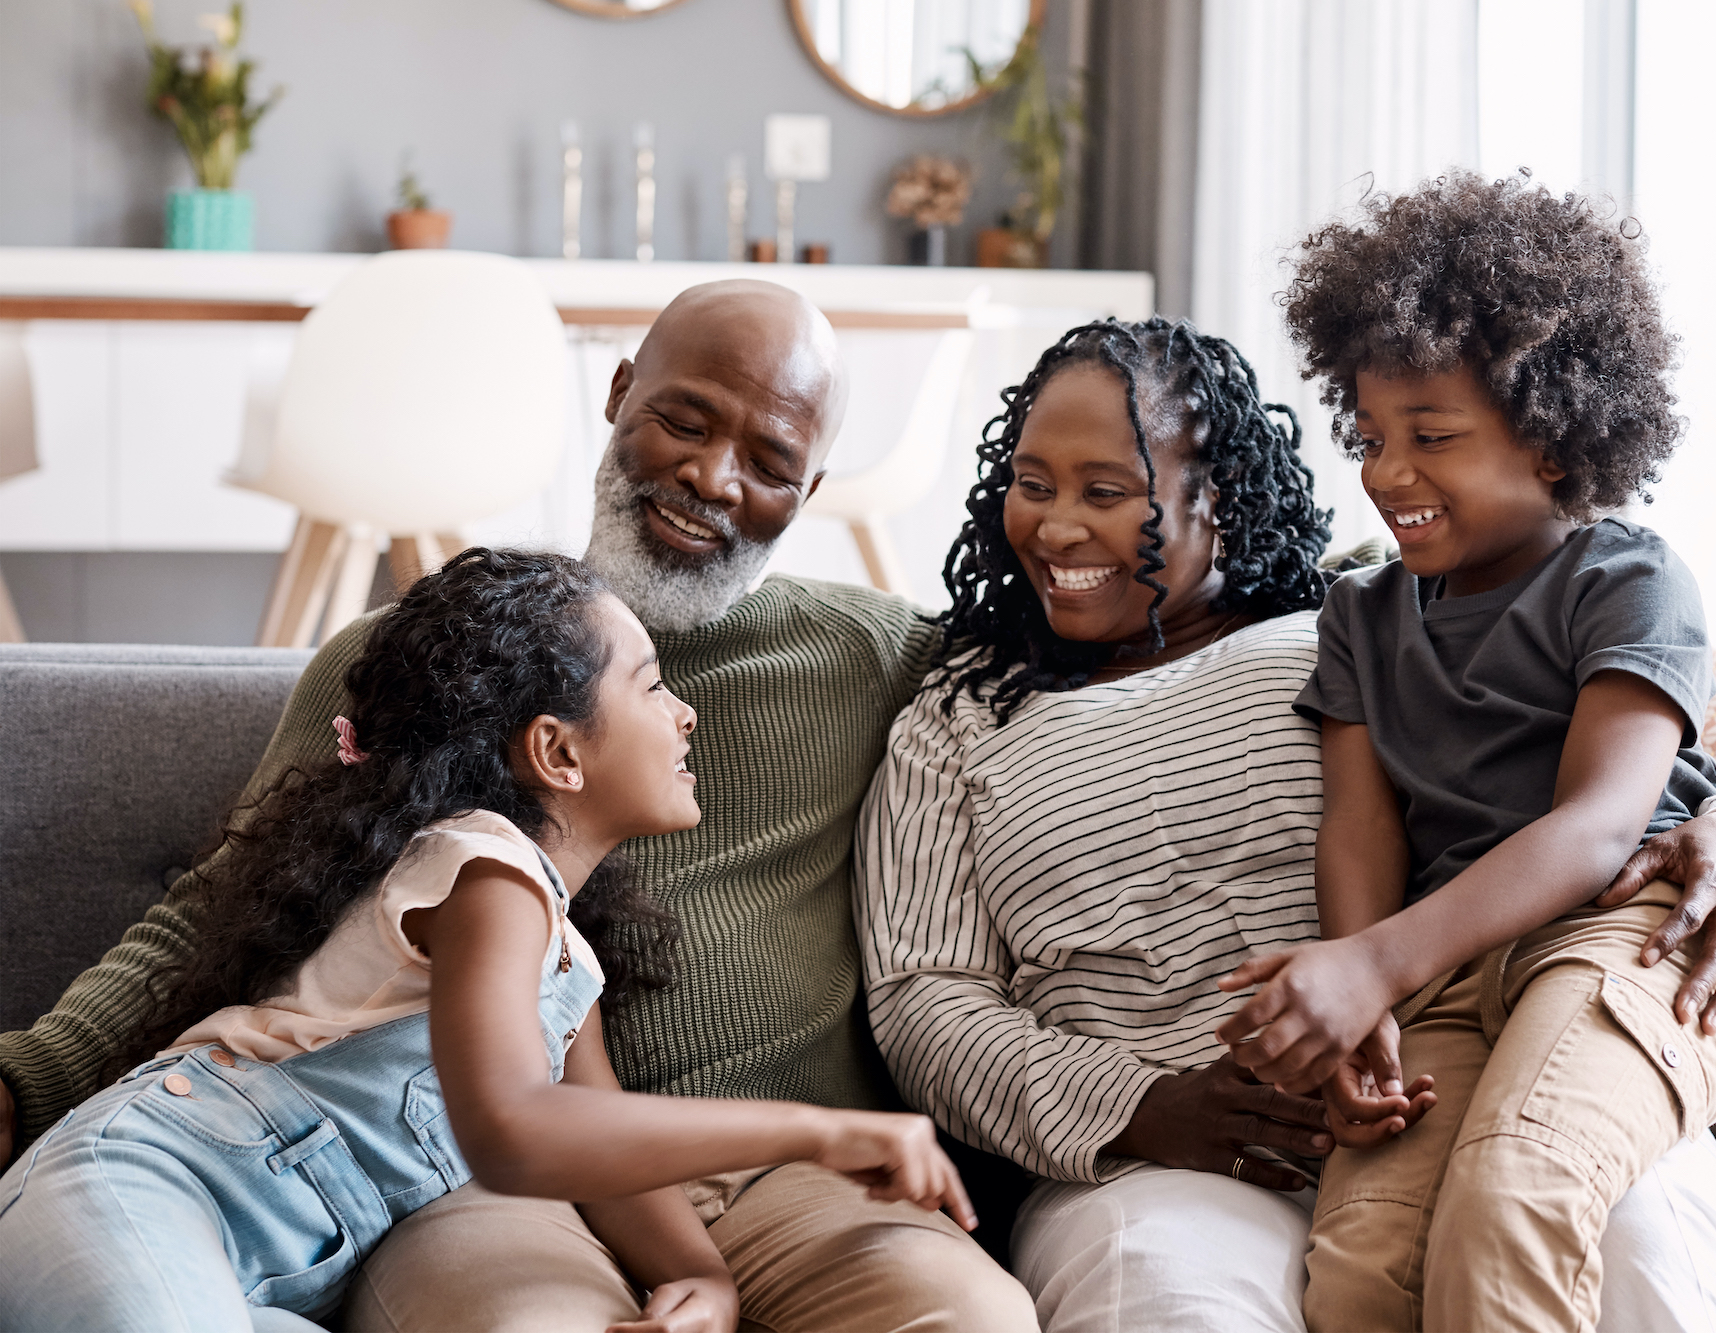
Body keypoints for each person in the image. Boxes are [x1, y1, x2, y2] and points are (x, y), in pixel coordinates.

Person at [0, 280, 1036, 1333]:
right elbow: (219, 909)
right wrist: (25, 1081)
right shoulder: (417, 672)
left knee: (966, 1318)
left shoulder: (873, 657)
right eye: (683, 419)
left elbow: (1074, 686)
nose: (709, 477)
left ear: (807, 491)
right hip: (476, 1187)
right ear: (620, 392)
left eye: (769, 463)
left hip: (779, 1188)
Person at [857, 316, 1716, 1332]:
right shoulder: (951, 723)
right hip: (1163, 1161)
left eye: (1106, 490)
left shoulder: (1346, 611)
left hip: (1456, 1058)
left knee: (1636, 1228)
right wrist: (1140, 1104)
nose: (1054, 527)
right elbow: (922, 1000)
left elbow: (1612, 781)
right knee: (1173, 1298)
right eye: (1031, 485)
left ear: (1214, 496)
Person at [0, 548, 973, 1332]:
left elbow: (593, 1147)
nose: (684, 714)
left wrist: (703, 1278)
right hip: (144, 1192)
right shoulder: (481, 871)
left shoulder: (560, 954)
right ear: (556, 749)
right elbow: (513, 1131)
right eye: (651, 687)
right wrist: (822, 1128)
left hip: (258, 1281)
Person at [1214, 169, 1716, 1332]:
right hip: (1443, 971)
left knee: (1512, 1194)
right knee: (1363, 1265)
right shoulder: (1360, 614)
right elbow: (1360, 823)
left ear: (1556, 443)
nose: (1384, 472)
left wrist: (1373, 964)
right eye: (1368, 435)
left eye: (1431, 436)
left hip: (1624, 938)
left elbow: (1596, 825)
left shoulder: (1623, 579)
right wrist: (1360, 986)